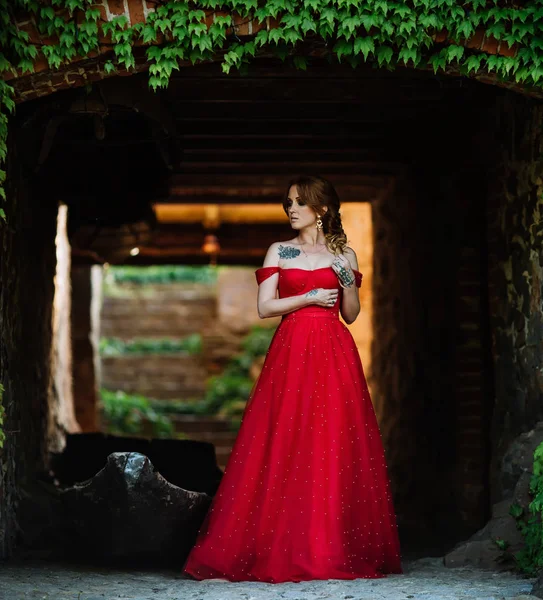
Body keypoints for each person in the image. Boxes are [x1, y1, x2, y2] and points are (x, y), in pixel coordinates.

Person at [182, 175, 402, 583]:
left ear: (322, 209)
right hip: (292, 349)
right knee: (285, 440)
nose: (291, 209)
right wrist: (309, 297)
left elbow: (351, 314)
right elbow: (266, 308)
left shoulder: (346, 253)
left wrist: (347, 279)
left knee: (331, 443)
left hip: (334, 351)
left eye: (299, 203)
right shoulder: (279, 251)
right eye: (288, 203)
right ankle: (277, 545)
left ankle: (328, 547)